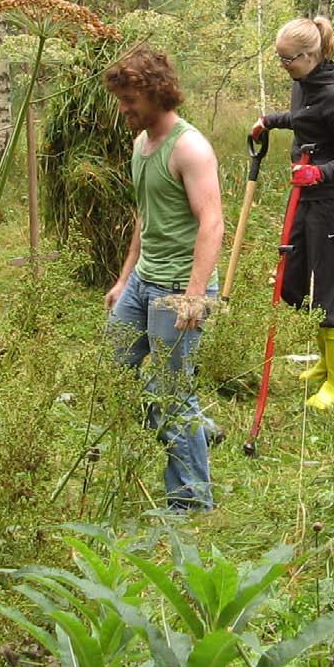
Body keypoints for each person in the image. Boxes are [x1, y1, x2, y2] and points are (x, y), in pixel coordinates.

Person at [104, 45, 224, 513]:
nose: (124, 109)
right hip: (142, 283)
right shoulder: (141, 144)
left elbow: (212, 221)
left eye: (129, 99)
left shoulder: (189, 147)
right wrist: (124, 277)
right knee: (113, 374)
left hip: (178, 289)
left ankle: (191, 500)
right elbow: (145, 216)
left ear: (155, 92)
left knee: (173, 395)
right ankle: (201, 430)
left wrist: (194, 298)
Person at [251, 16, 334, 411]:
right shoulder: (303, 83)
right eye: (279, 59)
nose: (284, 66)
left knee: (332, 286)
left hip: (333, 202)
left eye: (288, 60)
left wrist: (320, 172)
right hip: (304, 197)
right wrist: (269, 121)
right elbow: (304, 119)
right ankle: (324, 360)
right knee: (292, 279)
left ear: (311, 55)